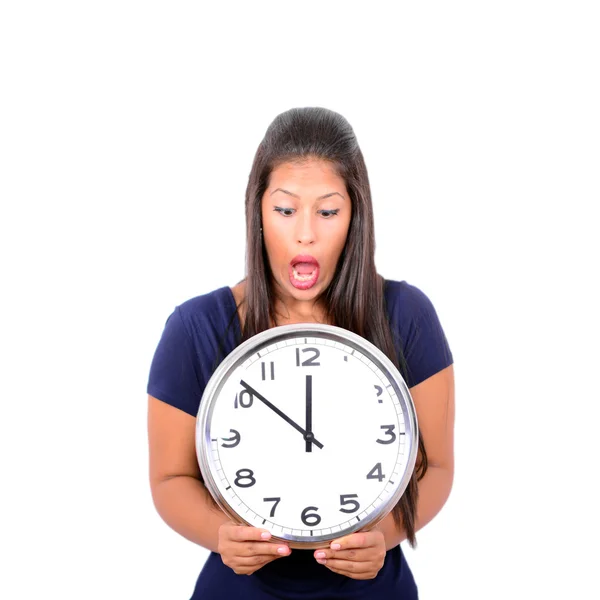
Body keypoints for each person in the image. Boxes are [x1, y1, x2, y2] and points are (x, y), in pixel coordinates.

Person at [146, 106, 455, 599]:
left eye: (328, 211)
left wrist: (383, 536)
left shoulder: (407, 315)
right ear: (258, 212)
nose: (305, 233)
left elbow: (435, 467)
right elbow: (169, 477)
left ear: (356, 216)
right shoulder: (196, 327)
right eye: (285, 210)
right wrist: (220, 536)